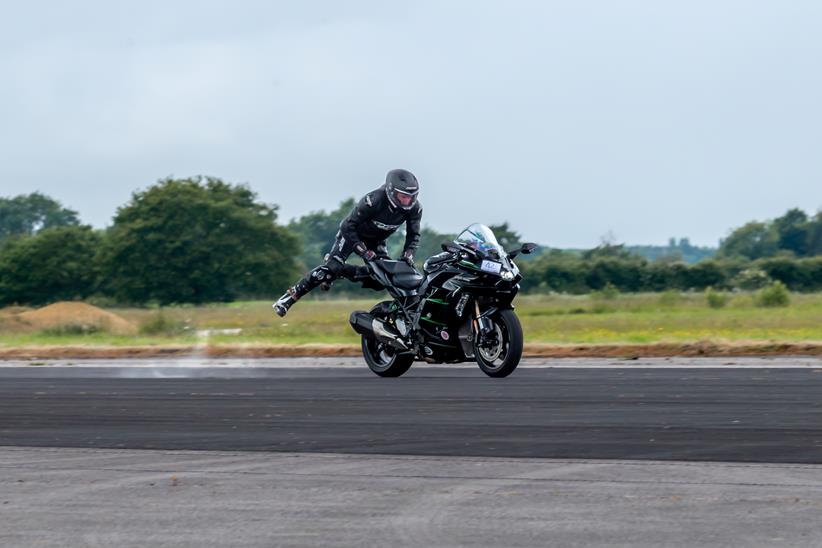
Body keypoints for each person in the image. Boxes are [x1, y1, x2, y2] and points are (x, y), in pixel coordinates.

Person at [273, 169, 422, 317]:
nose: (407, 201)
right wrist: (362, 250)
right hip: (352, 235)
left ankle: (342, 271)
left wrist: (408, 255)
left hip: (376, 241)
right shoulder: (373, 200)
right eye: (403, 197)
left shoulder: (415, 209)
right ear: (390, 191)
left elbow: (413, 235)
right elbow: (347, 226)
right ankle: (288, 298)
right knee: (331, 268)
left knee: (381, 280)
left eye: (411, 197)